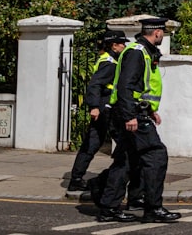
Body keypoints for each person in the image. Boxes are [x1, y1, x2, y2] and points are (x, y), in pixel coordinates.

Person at [96, 17, 181, 223]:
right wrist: (130, 116)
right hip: (130, 113)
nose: (163, 35)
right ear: (157, 33)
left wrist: (150, 110)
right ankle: (153, 207)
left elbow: (141, 87)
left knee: (126, 161)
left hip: (134, 111)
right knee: (156, 155)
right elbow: (126, 86)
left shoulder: (144, 52)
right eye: (163, 32)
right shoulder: (137, 52)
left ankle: (108, 207)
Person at [68, 30, 129, 192]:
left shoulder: (110, 59)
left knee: (92, 143)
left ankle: (76, 178)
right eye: (122, 43)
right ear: (114, 45)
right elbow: (95, 84)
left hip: (104, 106)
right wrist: (94, 106)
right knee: (125, 142)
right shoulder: (109, 63)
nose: (124, 46)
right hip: (106, 107)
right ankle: (119, 176)